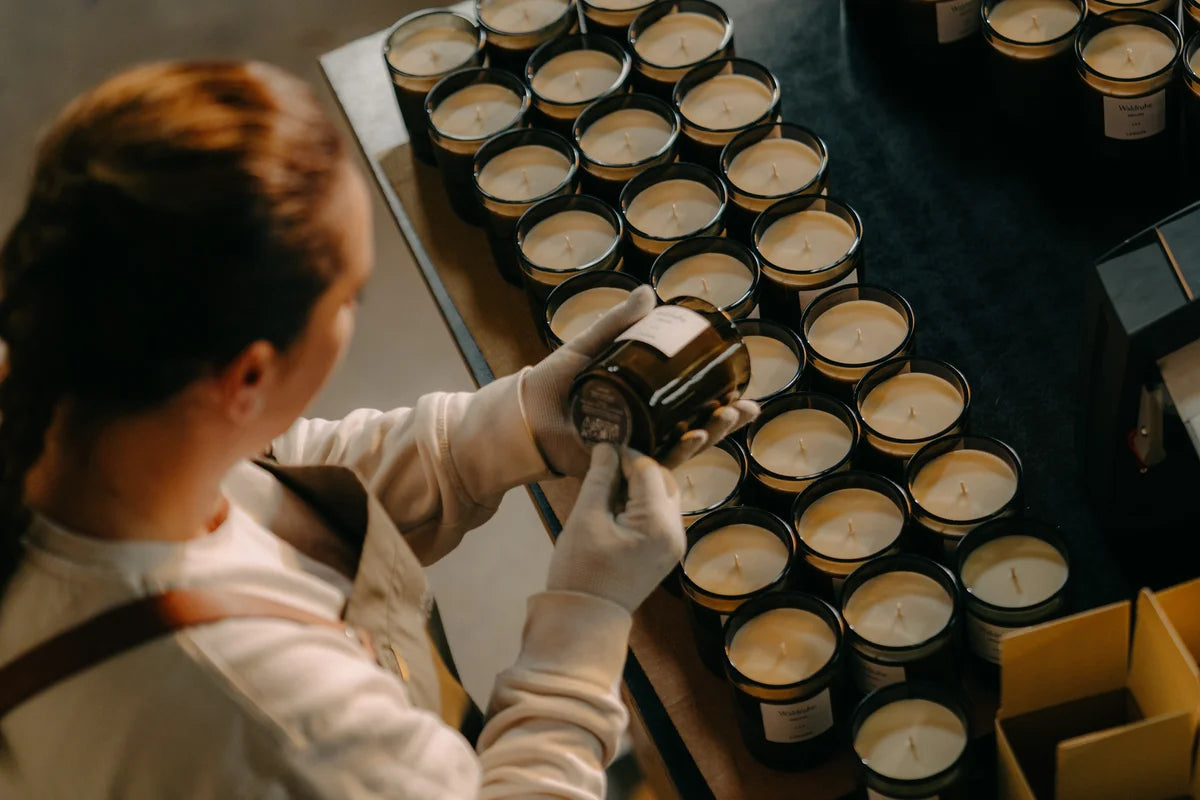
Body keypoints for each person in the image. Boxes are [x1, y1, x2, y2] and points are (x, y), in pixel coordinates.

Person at [0, 61, 758, 799]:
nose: (356, 315)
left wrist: (512, 425)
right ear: (249, 376)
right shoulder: (276, 722)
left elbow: (265, 473)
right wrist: (586, 621)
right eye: (349, 297)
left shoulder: (78, 400)